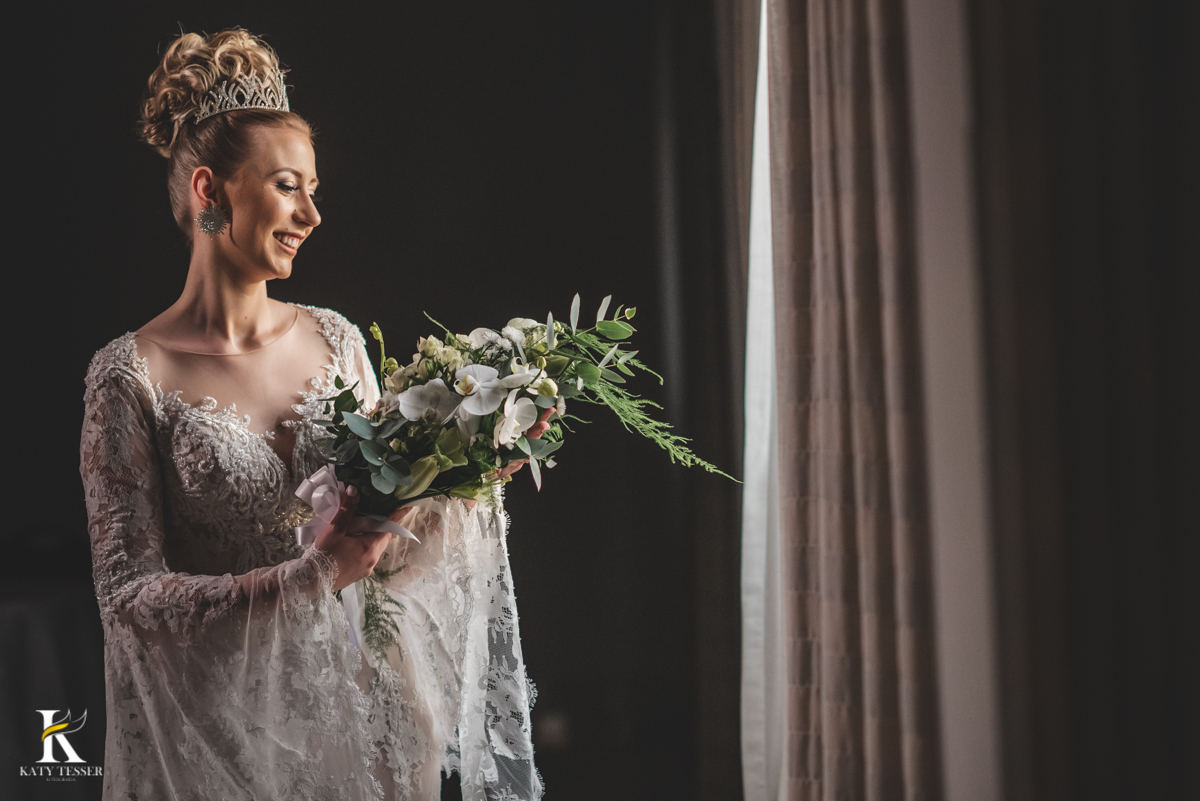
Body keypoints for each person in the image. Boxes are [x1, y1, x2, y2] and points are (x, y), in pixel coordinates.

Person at [79, 28, 543, 800]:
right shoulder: (129, 375)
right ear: (210, 191)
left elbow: (385, 549)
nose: (312, 214)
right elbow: (128, 599)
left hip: (371, 728)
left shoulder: (336, 339)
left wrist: (467, 467)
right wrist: (305, 578)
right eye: (289, 186)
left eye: (314, 189)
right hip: (227, 745)